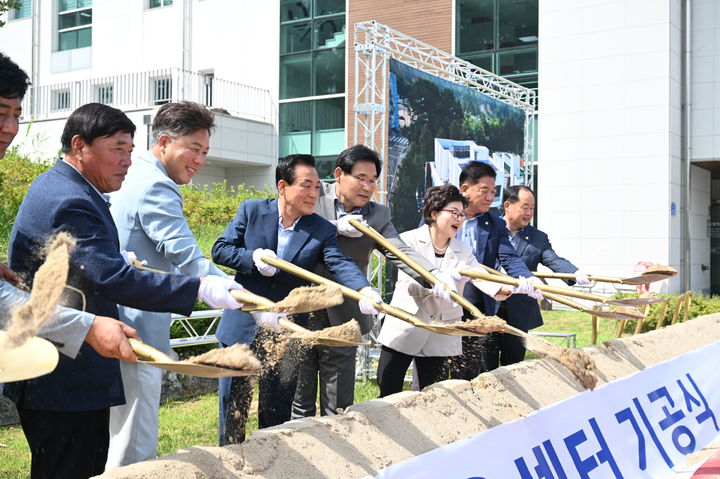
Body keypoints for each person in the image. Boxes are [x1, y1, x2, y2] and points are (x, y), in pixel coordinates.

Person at [6, 102, 244, 479]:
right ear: (80, 146)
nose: (127, 161)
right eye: (117, 149)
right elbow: (114, 279)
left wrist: (111, 256)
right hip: (65, 371)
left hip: (64, 365)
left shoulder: (67, 186)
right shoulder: (71, 198)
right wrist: (199, 287)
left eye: (130, 151)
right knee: (74, 465)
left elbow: (90, 263)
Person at [106, 101, 246, 468]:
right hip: (138, 329)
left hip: (111, 320)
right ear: (165, 141)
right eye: (194, 149)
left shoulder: (130, 172)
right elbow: (188, 258)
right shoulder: (156, 186)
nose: (200, 160)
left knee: (118, 429)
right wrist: (248, 300)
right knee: (135, 438)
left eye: (205, 152)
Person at [212, 153, 380, 444]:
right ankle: (230, 460)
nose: (315, 193)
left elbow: (338, 263)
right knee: (234, 404)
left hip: (285, 328)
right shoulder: (251, 211)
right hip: (244, 319)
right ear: (282, 187)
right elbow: (221, 249)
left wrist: (363, 289)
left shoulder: (320, 228)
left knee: (277, 405)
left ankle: (271, 460)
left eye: (317, 187)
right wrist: (251, 258)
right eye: (307, 186)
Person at [291, 145, 461, 419]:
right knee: (300, 393)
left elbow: (398, 250)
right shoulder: (313, 195)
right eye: (360, 178)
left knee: (339, 403)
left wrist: (433, 275)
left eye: (373, 181)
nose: (367, 187)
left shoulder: (378, 214)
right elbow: (292, 226)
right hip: (302, 305)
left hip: (346, 311)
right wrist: (334, 227)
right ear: (338, 174)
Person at [0, 52, 137, 361]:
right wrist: (86, 328)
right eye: (0, 114)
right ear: (79, 145)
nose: (10, 128)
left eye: (17, 115)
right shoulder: (68, 196)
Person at [376, 184, 512, 396]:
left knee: (433, 391)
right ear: (433, 213)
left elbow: (480, 276)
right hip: (408, 322)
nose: (459, 219)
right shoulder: (408, 240)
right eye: (453, 213)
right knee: (388, 384)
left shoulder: (463, 249)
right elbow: (410, 279)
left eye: (462, 214)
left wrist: (509, 287)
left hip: (441, 328)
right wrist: (437, 283)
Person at [451, 161, 542, 381]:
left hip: (478, 306)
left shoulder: (494, 225)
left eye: (494, 191)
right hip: (444, 299)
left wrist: (526, 278)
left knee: (472, 368)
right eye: (485, 191)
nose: (491, 197)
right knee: (438, 365)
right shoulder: (445, 215)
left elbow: (509, 257)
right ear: (465, 189)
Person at [484, 185, 591, 369]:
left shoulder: (537, 238)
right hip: (486, 307)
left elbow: (553, 259)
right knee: (485, 366)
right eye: (525, 207)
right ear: (508, 205)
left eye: (532, 208)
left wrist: (574, 273)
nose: (529, 213)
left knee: (514, 365)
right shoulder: (487, 229)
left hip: (518, 313)